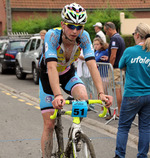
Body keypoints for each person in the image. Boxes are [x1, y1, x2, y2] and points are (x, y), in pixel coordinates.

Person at [38, 3, 113, 158]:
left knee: (83, 97)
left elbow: (92, 66)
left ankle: (76, 131)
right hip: (47, 74)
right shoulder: (52, 36)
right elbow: (51, 68)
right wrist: (58, 95)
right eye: (71, 26)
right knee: (49, 124)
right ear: (63, 25)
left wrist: (101, 93)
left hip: (67, 73)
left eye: (79, 27)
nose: (75, 31)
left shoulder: (84, 37)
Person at [114, 23, 150, 158]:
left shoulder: (130, 51)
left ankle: (120, 155)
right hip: (148, 94)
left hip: (132, 95)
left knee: (123, 127)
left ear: (137, 35)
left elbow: (121, 65)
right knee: (145, 128)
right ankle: (142, 155)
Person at [103, 22, 125, 117]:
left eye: (106, 31)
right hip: (119, 68)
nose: (106, 33)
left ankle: (118, 112)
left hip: (115, 68)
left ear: (110, 29)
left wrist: (110, 66)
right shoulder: (119, 37)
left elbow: (113, 55)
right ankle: (118, 111)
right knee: (118, 89)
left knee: (117, 90)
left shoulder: (114, 39)